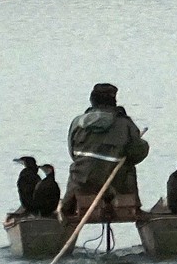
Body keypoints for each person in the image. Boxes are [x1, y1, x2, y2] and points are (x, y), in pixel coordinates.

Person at [63, 82, 149, 220]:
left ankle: (67, 209)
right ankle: (134, 208)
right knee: (128, 167)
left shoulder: (77, 122)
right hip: (114, 183)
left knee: (80, 166)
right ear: (113, 101)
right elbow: (137, 153)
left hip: (81, 182)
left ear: (92, 100)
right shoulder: (125, 123)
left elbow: (73, 153)